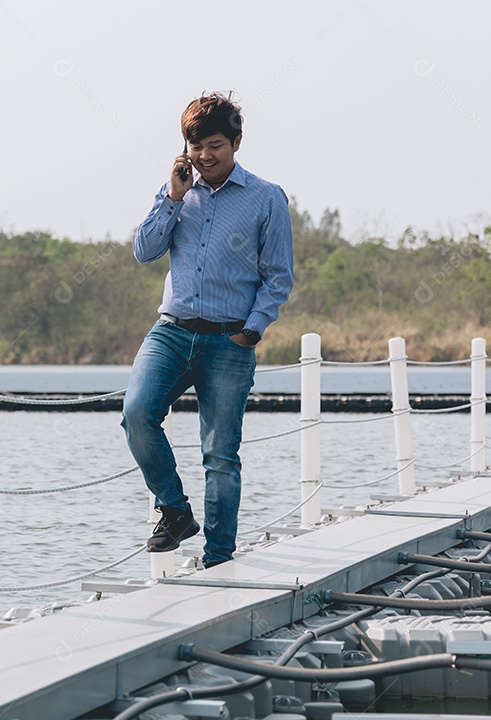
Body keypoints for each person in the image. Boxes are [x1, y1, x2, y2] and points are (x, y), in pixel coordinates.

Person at [121, 92, 294, 568]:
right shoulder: (177, 192)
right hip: (171, 331)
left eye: (214, 145)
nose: (204, 156)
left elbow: (279, 276)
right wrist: (173, 198)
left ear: (236, 142)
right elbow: (144, 251)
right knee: (136, 413)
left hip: (229, 339)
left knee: (220, 454)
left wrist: (252, 330)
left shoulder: (266, 198)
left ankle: (219, 560)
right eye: (196, 147)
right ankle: (175, 510)